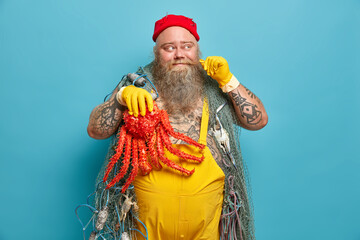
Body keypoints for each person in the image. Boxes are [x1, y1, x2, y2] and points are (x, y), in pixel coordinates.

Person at [87, 14, 267, 240]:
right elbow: (96, 131)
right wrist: (119, 98)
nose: (179, 54)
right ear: (156, 52)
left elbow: (258, 122)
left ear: (197, 49)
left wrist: (229, 80)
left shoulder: (215, 86)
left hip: (206, 228)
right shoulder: (137, 84)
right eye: (169, 47)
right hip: (144, 226)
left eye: (187, 46)